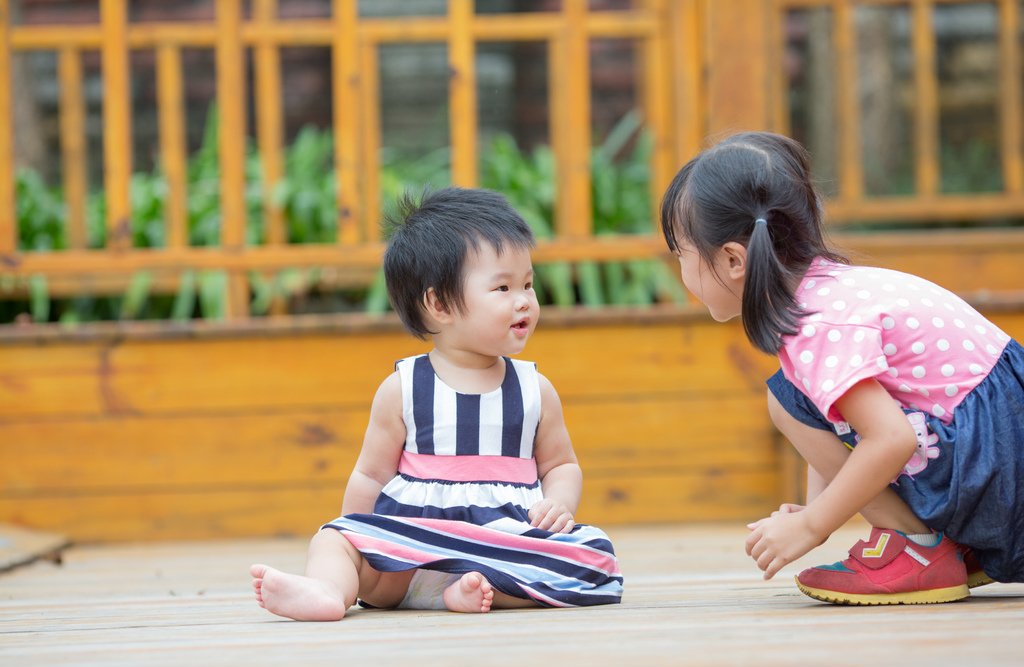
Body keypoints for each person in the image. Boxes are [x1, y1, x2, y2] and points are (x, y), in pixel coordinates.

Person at [659, 131, 1024, 605]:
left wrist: (812, 527)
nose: (680, 270)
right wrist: (817, 509)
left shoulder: (818, 323)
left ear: (732, 260)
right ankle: (937, 545)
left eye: (681, 255)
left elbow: (893, 438)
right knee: (795, 396)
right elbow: (833, 417)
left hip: (997, 463)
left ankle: (918, 550)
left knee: (785, 401)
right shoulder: (828, 292)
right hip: (999, 446)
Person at [250, 187, 624, 620]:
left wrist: (559, 502)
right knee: (332, 538)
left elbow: (560, 465)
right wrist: (360, 534)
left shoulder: (534, 389)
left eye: (527, 284)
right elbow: (371, 473)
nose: (524, 299)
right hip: (411, 553)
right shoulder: (404, 387)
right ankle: (329, 590)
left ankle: (471, 592)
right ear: (439, 304)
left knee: (597, 556)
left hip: (501, 547)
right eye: (502, 287)